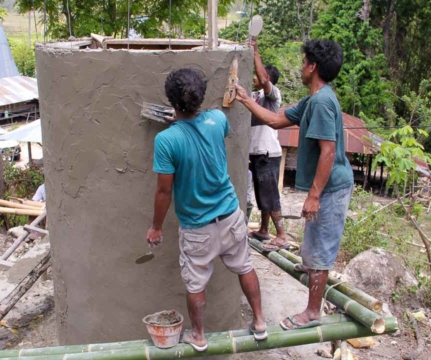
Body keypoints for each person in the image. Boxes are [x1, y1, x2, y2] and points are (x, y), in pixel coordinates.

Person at [233, 39, 353, 330]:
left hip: (332, 187)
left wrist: (313, 196)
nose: (300, 68)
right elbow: (275, 120)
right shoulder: (313, 100)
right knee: (313, 237)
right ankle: (312, 268)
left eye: (303, 63)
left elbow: (328, 151)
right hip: (325, 186)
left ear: (313, 67)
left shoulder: (323, 102)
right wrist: (246, 100)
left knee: (322, 244)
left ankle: (312, 312)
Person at [146, 68, 267, 352]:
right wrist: (183, 116)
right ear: (200, 98)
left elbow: (164, 191)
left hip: (197, 227)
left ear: (171, 101)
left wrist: (156, 227)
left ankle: (198, 336)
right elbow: (209, 124)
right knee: (245, 266)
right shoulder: (218, 119)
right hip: (230, 215)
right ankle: (260, 322)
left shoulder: (166, 141)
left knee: (196, 282)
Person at [247, 38, 289, 250]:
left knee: (270, 194)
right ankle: (264, 230)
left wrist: (255, 53)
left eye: (259, 74)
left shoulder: (272, 96)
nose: (256, 77)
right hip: (256, 152)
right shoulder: (254, 95)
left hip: (267, 152)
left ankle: (281, 235)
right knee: (261, 193)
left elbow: (263, 79)